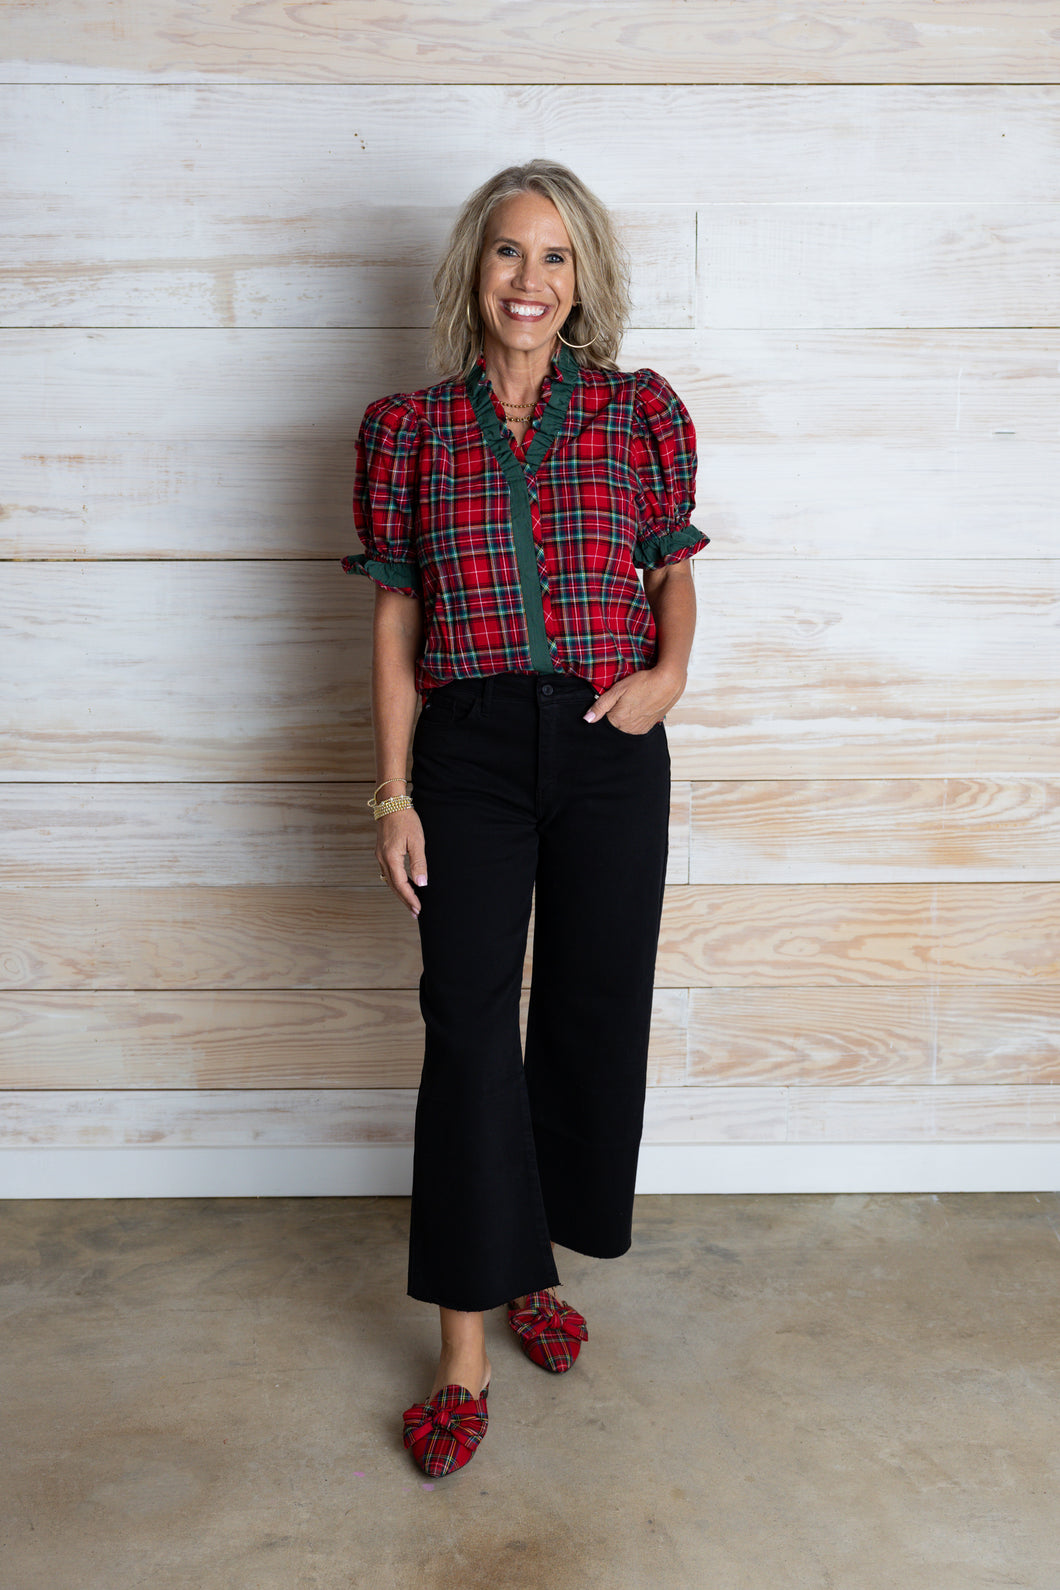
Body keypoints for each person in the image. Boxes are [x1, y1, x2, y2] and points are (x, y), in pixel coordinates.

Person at [343, 159, 709, 1479]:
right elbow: (396, 620)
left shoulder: (638, 411)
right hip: (471, 753)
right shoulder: (409, 430)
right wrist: (394, 790)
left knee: (590, 1014)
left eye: (555, 256)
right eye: (510, 251)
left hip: (612, 745)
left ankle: (535, 1263)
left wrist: (668, 677)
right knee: (466, 1025)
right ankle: (463, 1345)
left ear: (583, 278)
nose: (530, 279)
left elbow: (670, 569)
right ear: (475, 269)